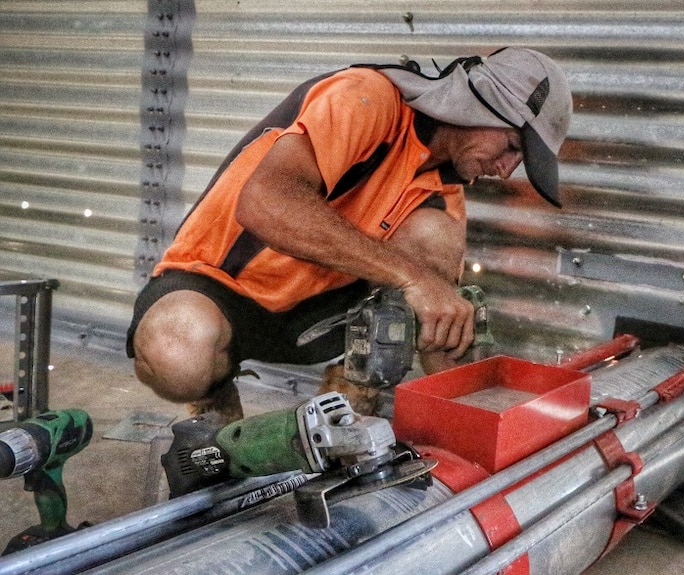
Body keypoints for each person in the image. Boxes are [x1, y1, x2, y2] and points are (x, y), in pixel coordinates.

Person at [126, 47, 573, 421]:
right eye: (512, 147)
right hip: (222, 285)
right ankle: (218, 418)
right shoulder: (367, 98)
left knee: (434, 234)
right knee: (176, 352)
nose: (506, 169)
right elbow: (265, 203)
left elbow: (440, 322)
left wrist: (468, 418)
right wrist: (414, 279)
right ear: (480, 104)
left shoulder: (446, 188)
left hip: (320, 314)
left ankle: (349, 409)